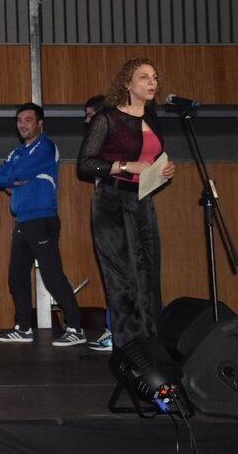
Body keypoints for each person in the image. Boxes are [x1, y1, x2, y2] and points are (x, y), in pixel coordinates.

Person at [78, 59, 175, 352]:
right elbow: (85, 164)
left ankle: (153, 346)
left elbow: (151, 162)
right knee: (123, 278)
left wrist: (164, 172)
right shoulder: (107, 118)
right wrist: (124, 165)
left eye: (154, 77)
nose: (152, 82)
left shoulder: (152, 118)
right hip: (112, 202)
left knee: (149, 275)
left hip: (143, 201)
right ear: (127, 84)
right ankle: (129, 347)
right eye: (144, 77)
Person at [0, 103, 86, 346]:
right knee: (16, 277)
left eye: (28, 120)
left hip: (42, 220)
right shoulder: (17, 152)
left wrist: (13, 178)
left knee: (52, 276)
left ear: (40, 123)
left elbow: (17, 172)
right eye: (19, 120)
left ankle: (76, 328)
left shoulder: (46, 147)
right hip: (22, 221)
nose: (22, 124)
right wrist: (13, 180)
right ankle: (24, 328)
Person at [82, 94, 114, 352]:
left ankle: (117, 331)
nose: (86, 120)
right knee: (120, 279)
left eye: (90, 115)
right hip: (108, 217)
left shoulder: (117, 147)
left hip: (120, 219)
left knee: (123, 279)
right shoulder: (102, 147)